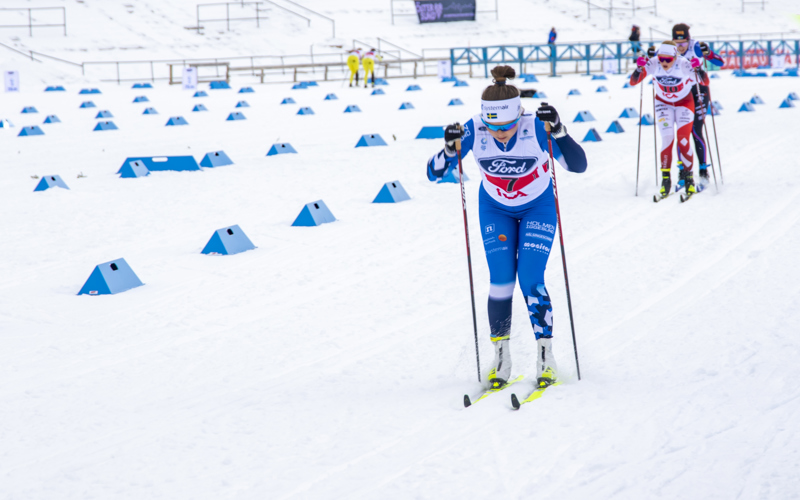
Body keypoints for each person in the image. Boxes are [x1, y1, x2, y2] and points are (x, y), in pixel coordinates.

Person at [425, 65, 587, 389]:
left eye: (508, 126)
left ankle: (546, 356)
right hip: (495, 209)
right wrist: (448, 148)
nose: (500, 133)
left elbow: (578, 165)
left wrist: (559, 131)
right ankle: (501, 356)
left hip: (538, 206)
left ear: (519, 115)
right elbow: (433, 173)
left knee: (530, 278)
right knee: (500, 282)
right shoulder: (473, 129)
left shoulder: (536, 126)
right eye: (493, 126)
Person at [630, 42, 708, 198]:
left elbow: (704, 82)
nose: (664, 62)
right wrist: (639, 68)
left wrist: (699, 68)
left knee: (683, 139)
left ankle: (689, 179)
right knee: (667, 139)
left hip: (684, 103)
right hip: (663, 103)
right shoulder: (654, 63)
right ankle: (665, 180)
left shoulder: (683, 64)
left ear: (675, 57)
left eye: (668, 59)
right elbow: (634, 81)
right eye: (661, 58)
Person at [671, 23, 724, 189]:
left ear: (689, 39)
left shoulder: (696, 47)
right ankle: (683, 170)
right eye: (676, 43)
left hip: (698, 91)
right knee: (682, 132)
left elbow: (720, 62)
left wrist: (707, 53)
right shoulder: (670, 49)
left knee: (696, 129)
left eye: (683, 43)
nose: (680, 47)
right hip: (681, 93)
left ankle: (703, 170)